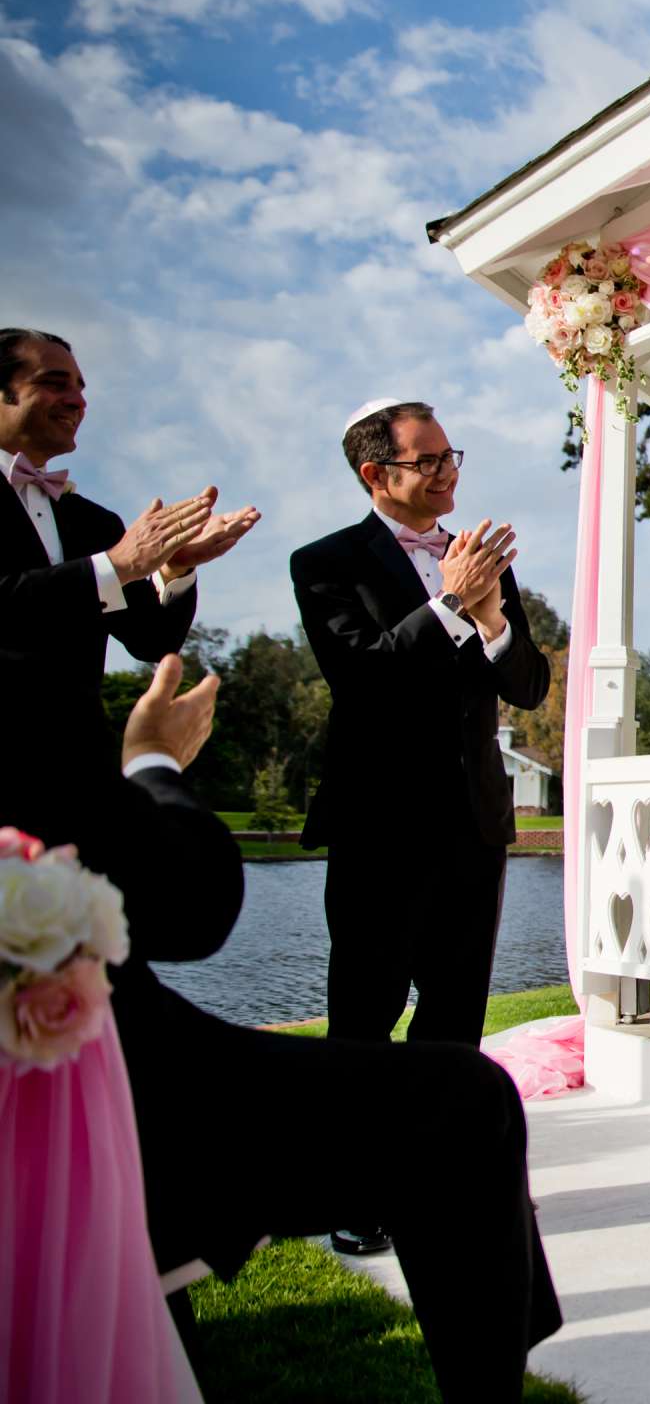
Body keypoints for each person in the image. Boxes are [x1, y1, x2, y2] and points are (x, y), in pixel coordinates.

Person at [18, 653, 565, 1399]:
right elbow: (190, 905)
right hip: (127, 1103)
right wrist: (152, 760)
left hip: (100, 1073)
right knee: (467, 1099)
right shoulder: (23, 699)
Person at [291, 399, 549, 1258]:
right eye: (428, 460)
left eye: (451, 456)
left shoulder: (478, 562)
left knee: (454, 1017)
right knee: (363, 1018)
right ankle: (353, 1193)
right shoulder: (325, 562)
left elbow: (528, 688)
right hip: (381, 825)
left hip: (474, 821)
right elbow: (364, 678)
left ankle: (438, 1184)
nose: (449, 472)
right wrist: (448, 604)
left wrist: (491, 617)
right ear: (377, 475)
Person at [0, 327, 257, 843]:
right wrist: (114, 566)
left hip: (78, 787)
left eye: (81, 387)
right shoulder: (109, 548)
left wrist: (176, 568)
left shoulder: (92, 520)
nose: (77, 400)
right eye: (55, 383)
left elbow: (150, 640)